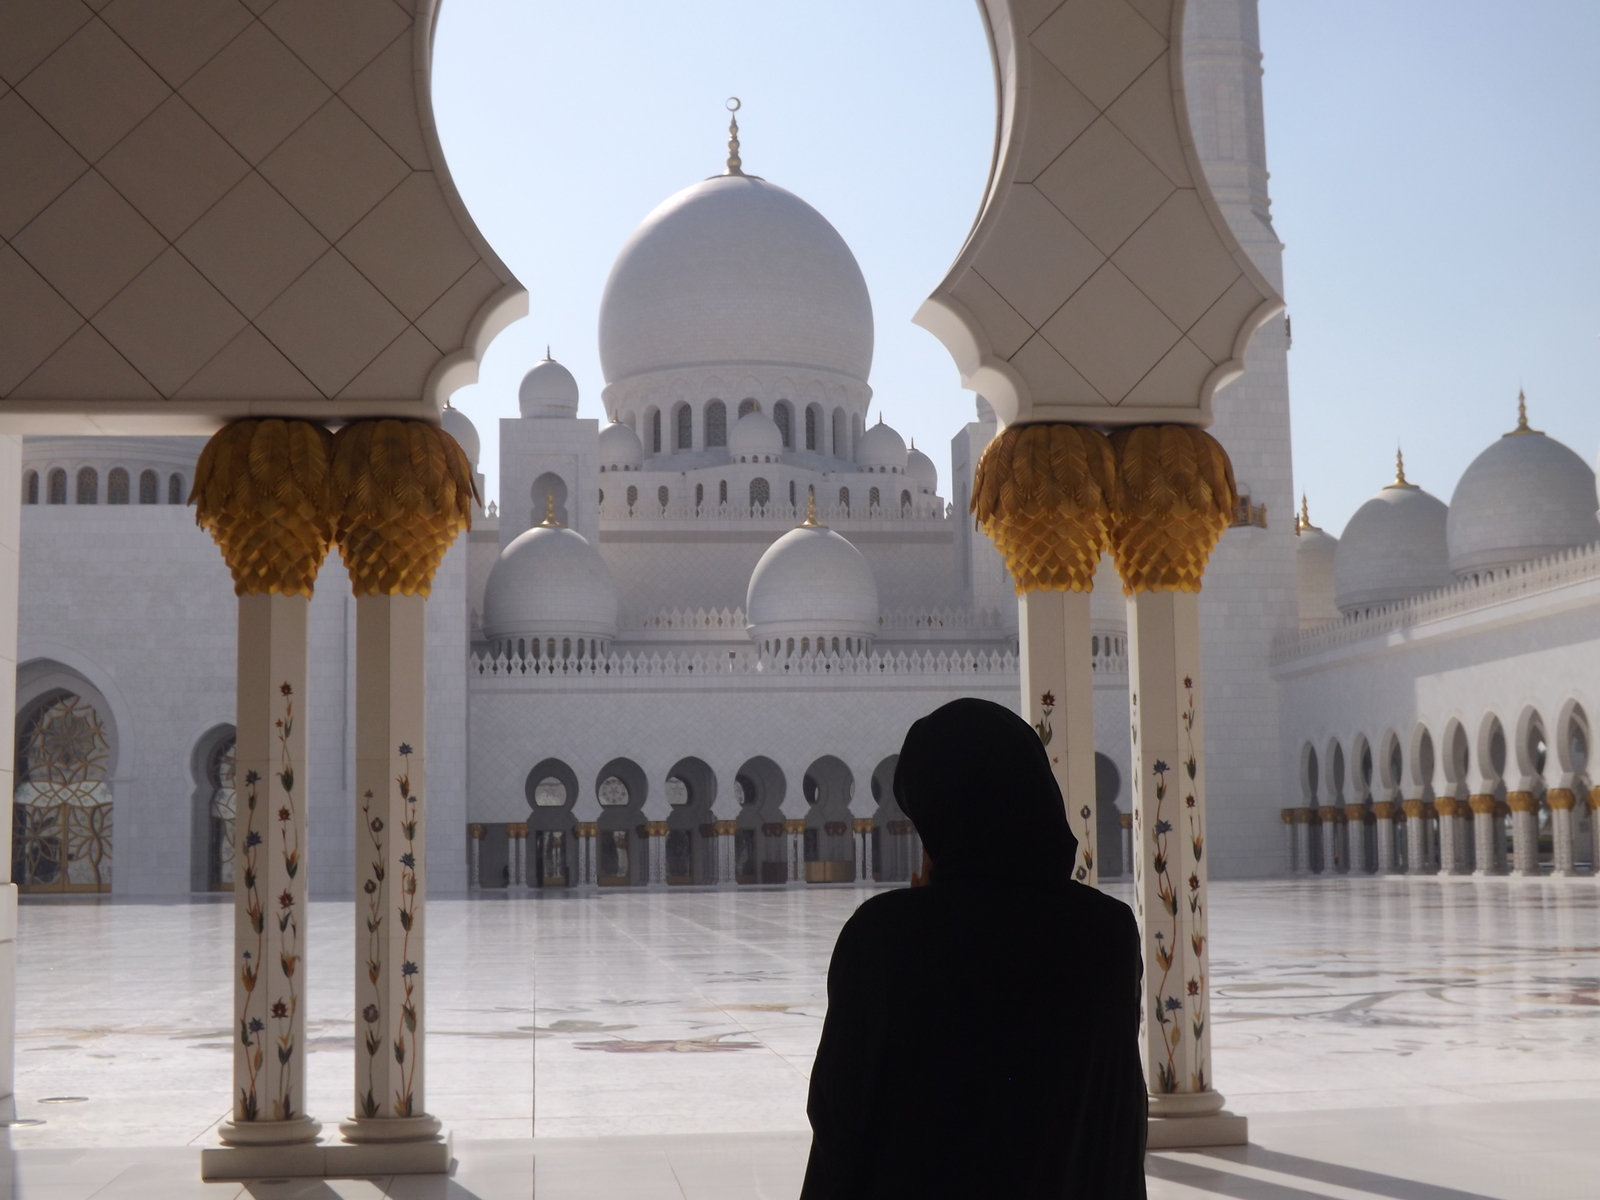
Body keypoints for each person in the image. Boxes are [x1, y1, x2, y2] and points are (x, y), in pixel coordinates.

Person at [801, 698, 1147, 1198]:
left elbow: (839, 1123)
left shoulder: (882, 937)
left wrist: (923, 916)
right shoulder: (1108, 930)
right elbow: (1120, 1119)